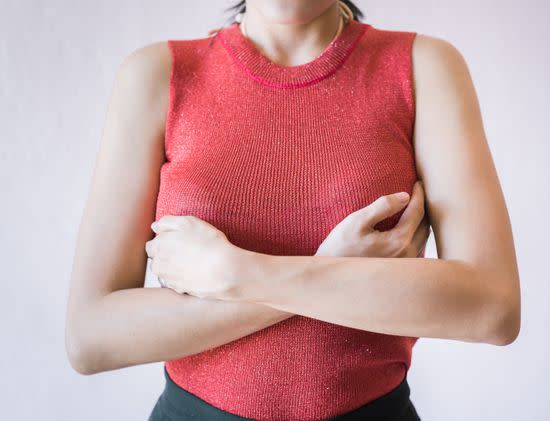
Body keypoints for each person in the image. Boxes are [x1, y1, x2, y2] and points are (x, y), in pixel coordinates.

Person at [65, 1, 521, 420]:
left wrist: (240, 273)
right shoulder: (158, 74)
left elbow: (493, 309)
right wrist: (331, 270)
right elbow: (91, 336)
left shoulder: (423, 67)